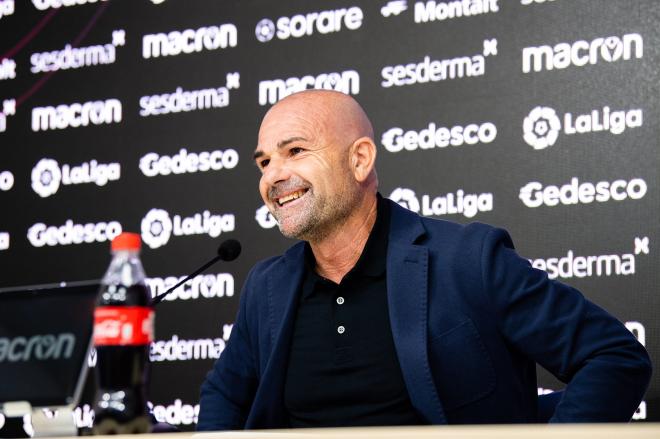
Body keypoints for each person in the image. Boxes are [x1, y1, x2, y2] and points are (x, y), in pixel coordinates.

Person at [197, 90, 651, 430]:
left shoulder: (470, 259)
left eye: (295, 151)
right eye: (263, 162)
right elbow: (224, 395)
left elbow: (613, 357)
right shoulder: (267, 286)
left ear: (359, 160)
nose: (274, 175)